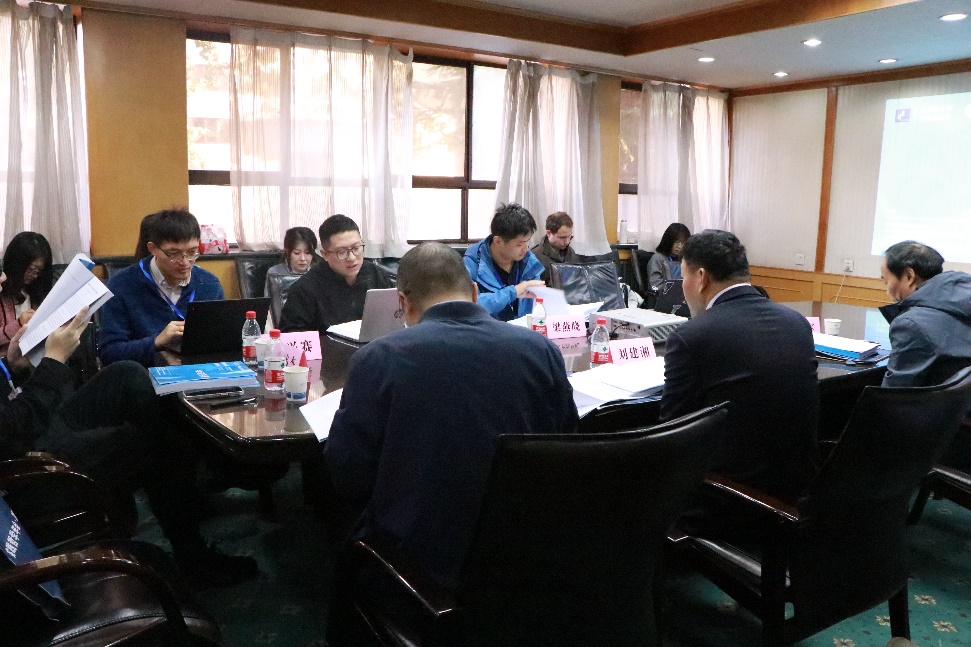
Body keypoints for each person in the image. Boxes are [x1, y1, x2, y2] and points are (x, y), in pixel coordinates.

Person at [325, 242, 578, 602]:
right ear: (474, 292)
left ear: (403, 302)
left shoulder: (378, 359)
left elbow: (347, 472)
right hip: (526, 546)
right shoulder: (541, 350)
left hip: (422, 562)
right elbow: (566, 442)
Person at [0, 274, 257, 587]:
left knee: (128, 376)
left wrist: (12, 367)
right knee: (152, 442)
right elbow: (11, 433)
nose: (3, 277)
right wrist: (53, 362)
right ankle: (193, 554)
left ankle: (191, 480)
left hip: (29, 427)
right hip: (21, 468)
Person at [660, 230, 819, 501]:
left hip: (730, 498)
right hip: (799, 489)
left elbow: (672, 434)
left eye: (684, 276)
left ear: (701, 278)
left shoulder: (692, 336)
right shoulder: (797, 322)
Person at [99, 209, 225, 367]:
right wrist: (156, 342)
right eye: (174, 254)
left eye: (192, 252)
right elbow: (109, 353)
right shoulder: (122, 285)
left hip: (199, 372)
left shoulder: (209, 284)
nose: (185, 262)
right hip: (145, 375)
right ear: (153, 249)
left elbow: (222, 342)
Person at [279, 215, 393, 337]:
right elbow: (291, 337)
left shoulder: (376, 275)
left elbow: (395, 318)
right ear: (325, 254)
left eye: (356, 248)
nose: (352, 257)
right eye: (341, 252)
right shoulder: (304, 290)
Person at [879, 241, 971, 389]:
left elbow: (895, 392)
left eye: (886, 281)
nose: (887, 290)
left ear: (909, 276)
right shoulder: (963, 295)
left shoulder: (911, 324)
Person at [463, 203, 545, 321]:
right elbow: (468, 304)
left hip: (523, 329)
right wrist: (513, 292)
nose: (525, 249)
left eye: (527, 242)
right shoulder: (472, 263)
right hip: (487, 330)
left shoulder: (529, 263)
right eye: (519, 244)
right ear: (498, 241)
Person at [0, 232, 54, 355]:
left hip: (35, 357)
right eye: (31, 269)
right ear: (17, 264)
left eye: (39, 271)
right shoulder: (2, 291)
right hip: (6, 361)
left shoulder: (36, 291)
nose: (34, 275)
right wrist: (19, 324)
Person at [264, 226, 319, 297]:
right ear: (288, 252)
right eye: (297, 253)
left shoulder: (319, 273)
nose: (302, 258)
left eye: (307, 253)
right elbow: (270, 302)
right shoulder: (275, 273)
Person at [531, 211, 579, 285]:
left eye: (569, 236)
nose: (567, 242)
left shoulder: (570, 252)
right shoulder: (534, 256)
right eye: (562, 237)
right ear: (548, 233)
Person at [648, 223, 691, 290]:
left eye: (683, 243)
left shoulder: (686, 259)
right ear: (668, 241)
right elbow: (655, 286)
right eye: (676, 242)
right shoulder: (658, 259)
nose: (679, 246)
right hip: (665, 295)